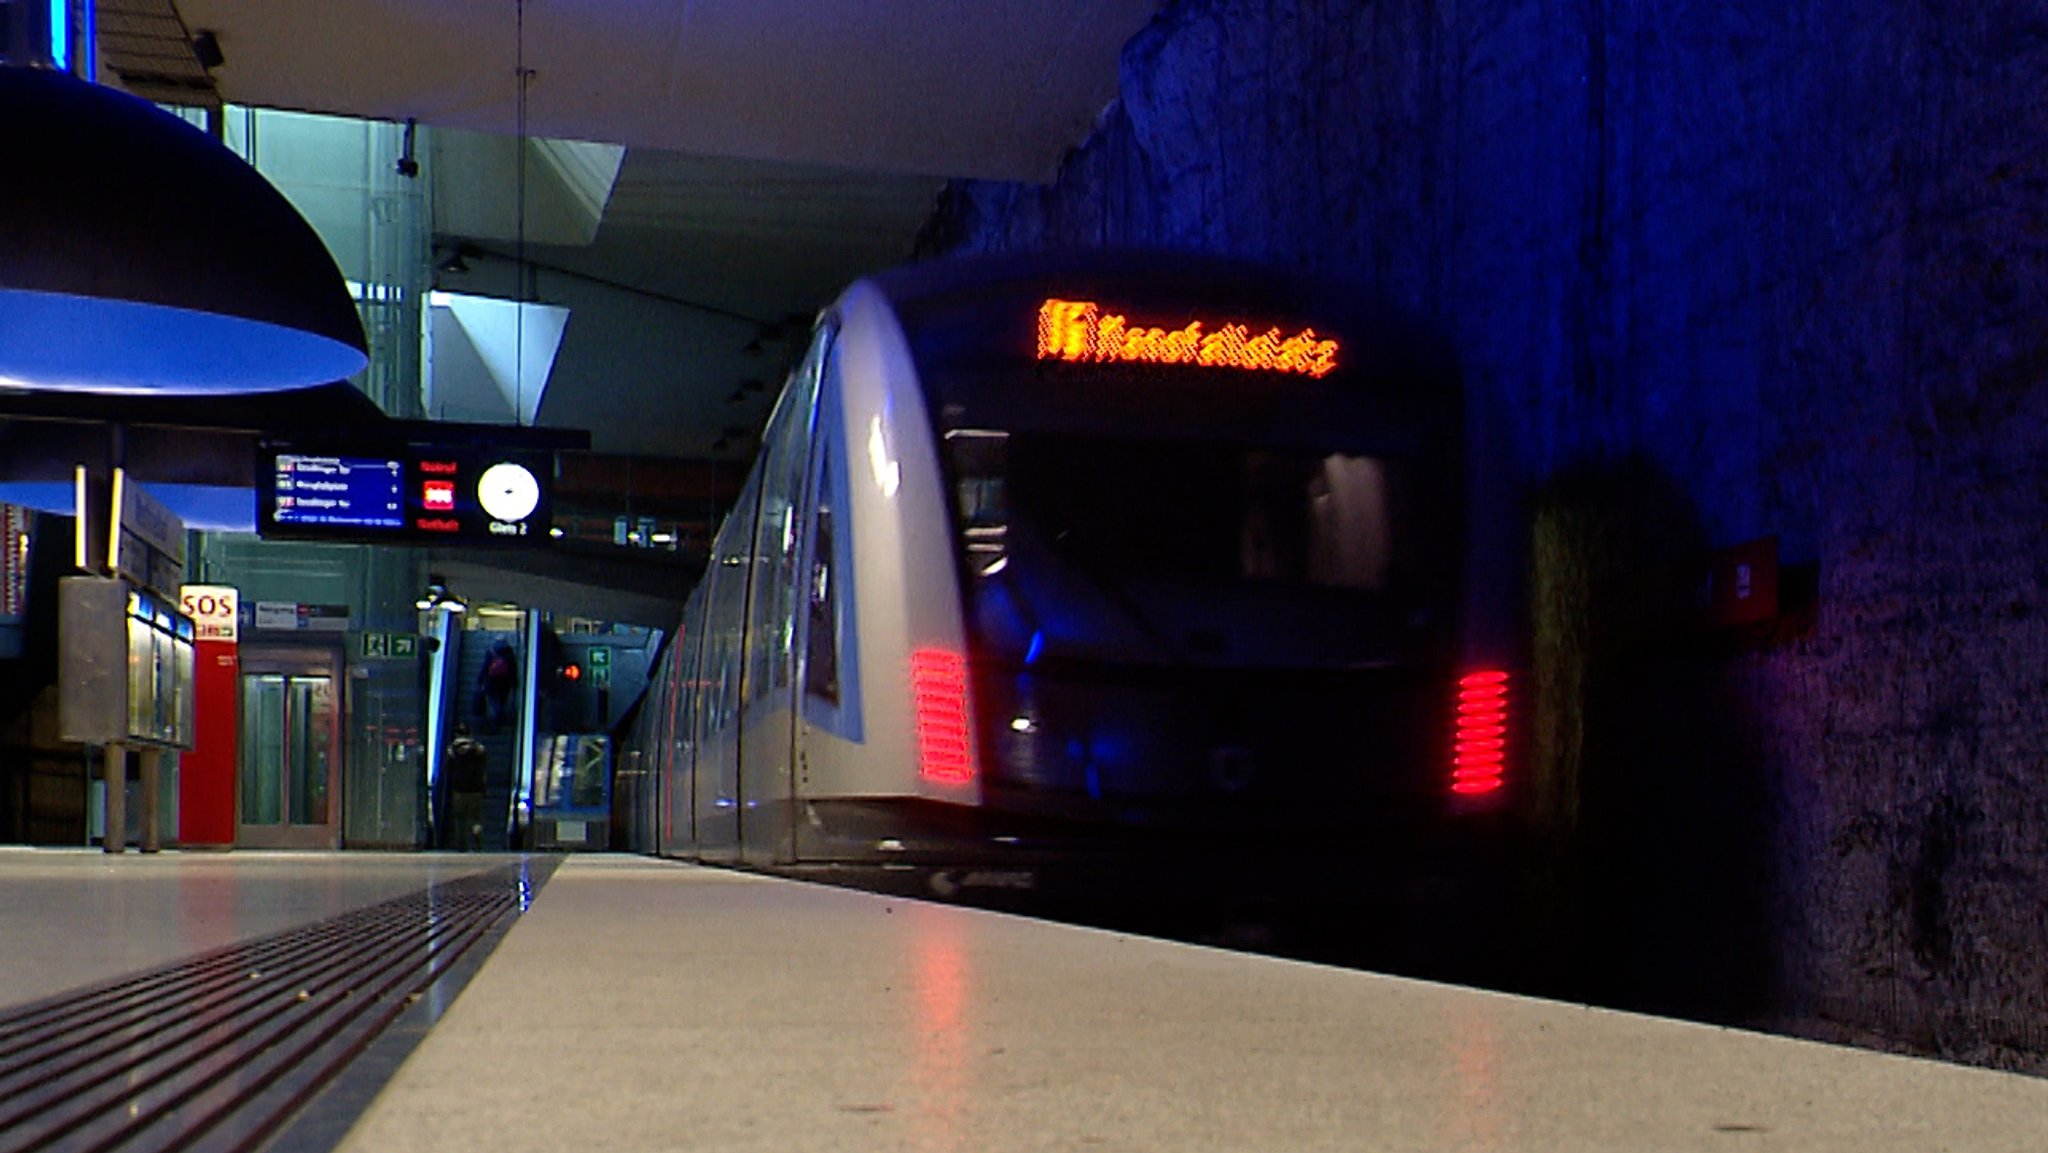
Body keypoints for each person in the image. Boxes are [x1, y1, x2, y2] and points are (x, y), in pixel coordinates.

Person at [445, 723, 488, 851]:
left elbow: (448, 769)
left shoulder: (452, 750)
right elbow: (484, 769)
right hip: (476, 789)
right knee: (476, 819)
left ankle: (461, 845)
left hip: (459, 790)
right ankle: (477, 842)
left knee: (460, 820)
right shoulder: (479, 749)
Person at [477, 639, 518, 732]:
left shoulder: (491, 653)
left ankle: (494, 724)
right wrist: (515, 684)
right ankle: (500, 719)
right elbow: (513, 670)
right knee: (501, 703)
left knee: (493, 704)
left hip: (490, 683)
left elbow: (485, 667)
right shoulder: (509, 655)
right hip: (505, 684)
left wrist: (480, 681)